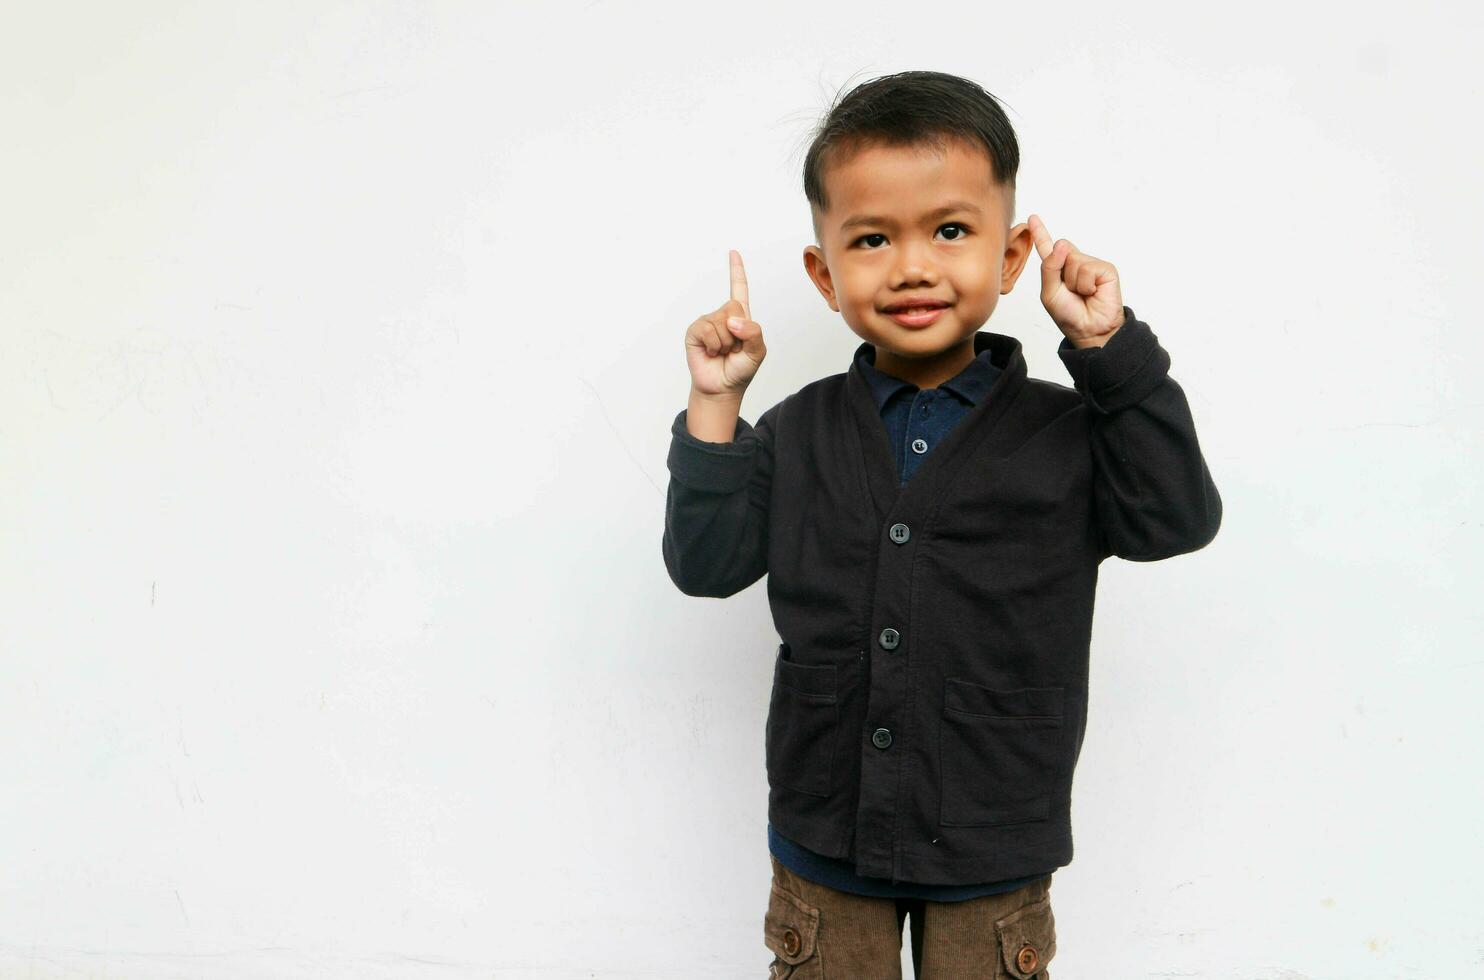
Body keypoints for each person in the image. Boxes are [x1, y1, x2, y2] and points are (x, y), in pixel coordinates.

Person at [661, 70, 1222, 978]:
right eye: (872, 238)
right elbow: (706, 564)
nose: (914, 265)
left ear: (1009, 257)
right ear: (824, 273)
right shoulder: (797, 429)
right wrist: (716, 407)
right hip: (824, 832)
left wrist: (1107, 352)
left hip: (993, 834)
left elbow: (1176, 518)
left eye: (951, 231)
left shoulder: (1070, 431)